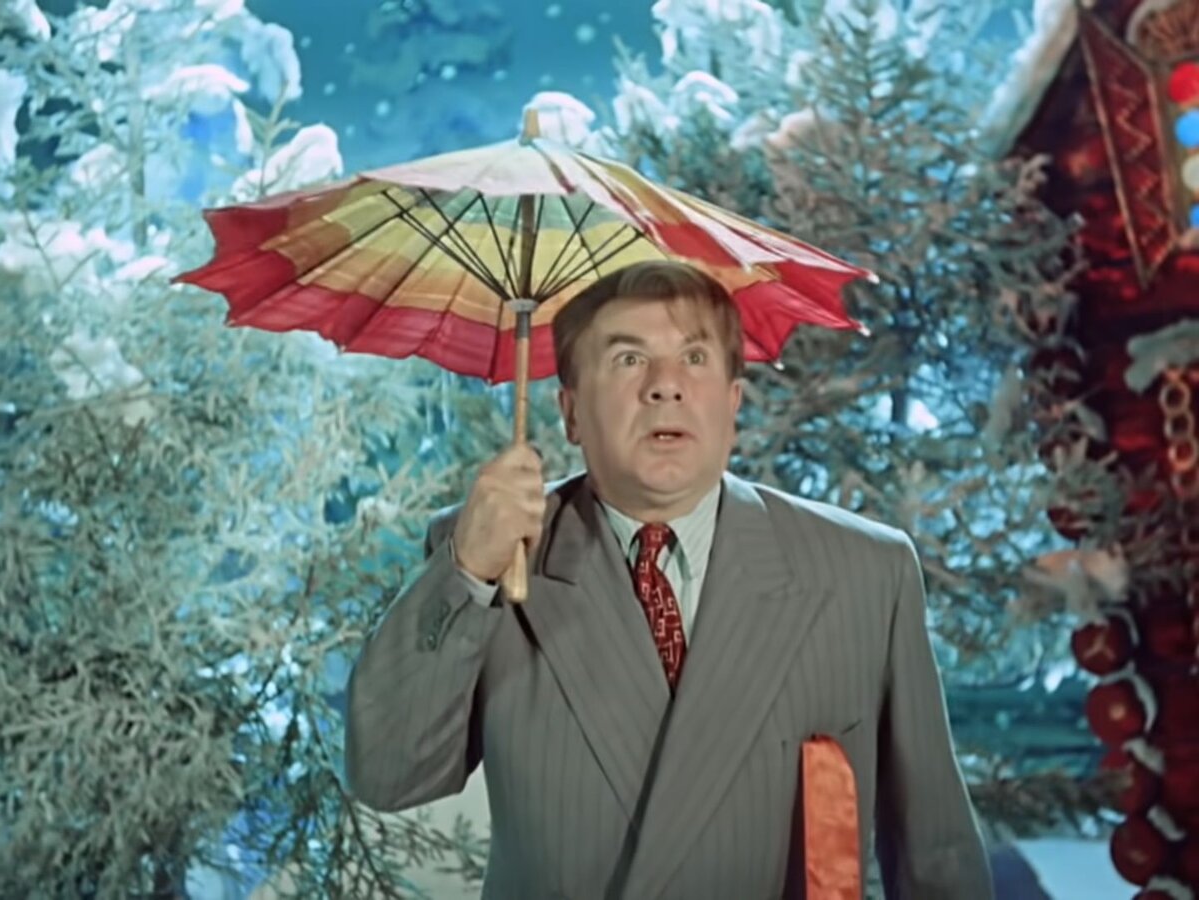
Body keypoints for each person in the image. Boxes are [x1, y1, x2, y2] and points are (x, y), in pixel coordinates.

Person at [345, 260, 993, 899]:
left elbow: (937, 862)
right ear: (571, 413)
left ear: (733, 402)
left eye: (694, 357)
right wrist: (466, 572)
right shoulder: (494, 554)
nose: (664, 387)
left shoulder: (865, 573)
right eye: (628, 359)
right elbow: (388, 774)